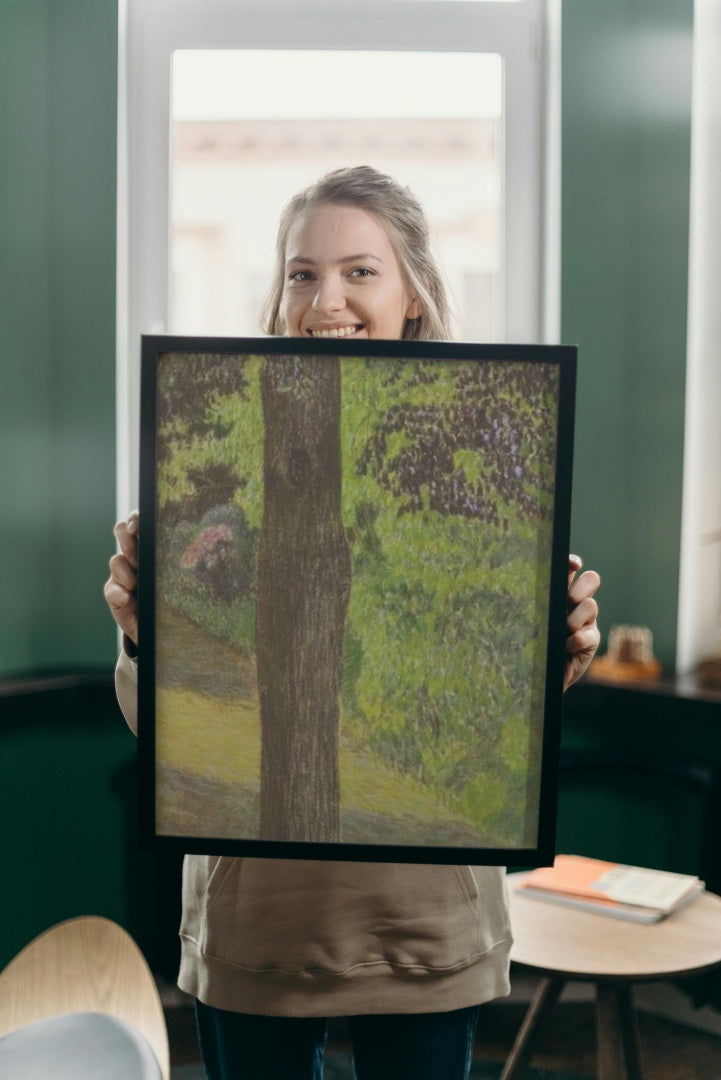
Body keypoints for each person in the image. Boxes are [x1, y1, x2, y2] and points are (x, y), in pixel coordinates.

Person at [105, 166, 601, 1080]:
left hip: (423, 921)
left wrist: (552, 653)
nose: (324, 298)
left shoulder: (481, 450)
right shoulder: (211, 466)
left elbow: (481, 716)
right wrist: (144, 637)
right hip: (258, 923)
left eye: (359, 271)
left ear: (412, 293)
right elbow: (175, 735)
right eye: (301, 273)